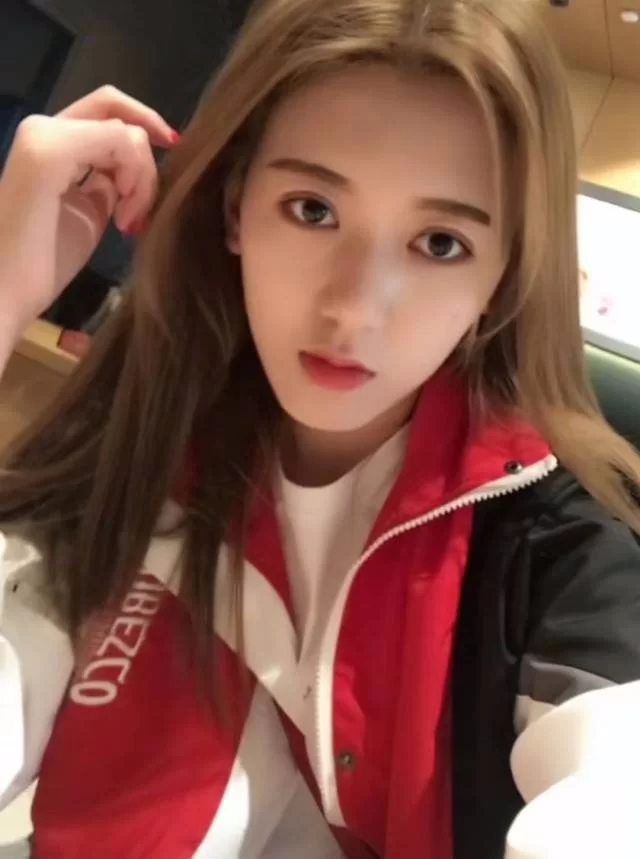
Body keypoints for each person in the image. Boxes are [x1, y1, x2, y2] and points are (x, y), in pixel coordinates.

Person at [1, 0, 640, 857]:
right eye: (312, 209)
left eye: (440, 243)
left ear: (501, 276)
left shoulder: (556, 553)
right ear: (236, 207)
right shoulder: (145, 449)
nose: (355, 307)